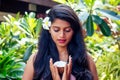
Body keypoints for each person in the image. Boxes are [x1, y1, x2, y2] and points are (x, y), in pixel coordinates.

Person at [22, 4, 98, 80]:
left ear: (74, 31)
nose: (62, 35)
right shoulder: (36, 59)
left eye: (67, 30)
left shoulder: (86, 59)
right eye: (56, 30)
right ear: (49, 29)